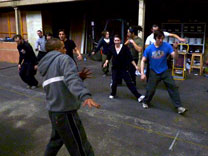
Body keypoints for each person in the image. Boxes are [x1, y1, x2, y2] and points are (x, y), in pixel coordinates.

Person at [38, 38, 100, 156]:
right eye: (63, 47)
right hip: (65, 111)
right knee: (80, 147)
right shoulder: (63, 58)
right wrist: (84, 95)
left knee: (56, 141)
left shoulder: (46, 65)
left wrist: (78, 77)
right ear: (57, 50)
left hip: (54, 111)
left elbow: (60, 81)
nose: (66, 50)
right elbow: (71, 79)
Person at [140, 30, 187, 114]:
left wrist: (175, 49)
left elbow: (175, 57)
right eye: (159, 38)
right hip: (153, 71)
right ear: (155, 38)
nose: (161, 40)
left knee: (173, 87)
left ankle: (179, 107)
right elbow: (143, 60)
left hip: (165, 71)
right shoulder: (149, 49)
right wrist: (142, 73)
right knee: (150, 90)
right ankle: (145, 101)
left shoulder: (167, 46)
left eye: (162, 38)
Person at [103, 35, 145, 102]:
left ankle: (138, 96)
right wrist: (106, 62)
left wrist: (135, 66)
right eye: (115, 40)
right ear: (113, 41)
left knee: (129, 82)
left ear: (120, 41)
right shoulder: (111, 48)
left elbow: (130, 58)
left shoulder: (125, 48)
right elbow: (108, 57)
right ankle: (113, 93)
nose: (116, 42)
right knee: (114, 82)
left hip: (123, 68)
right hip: (115, 68)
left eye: (118, 40)